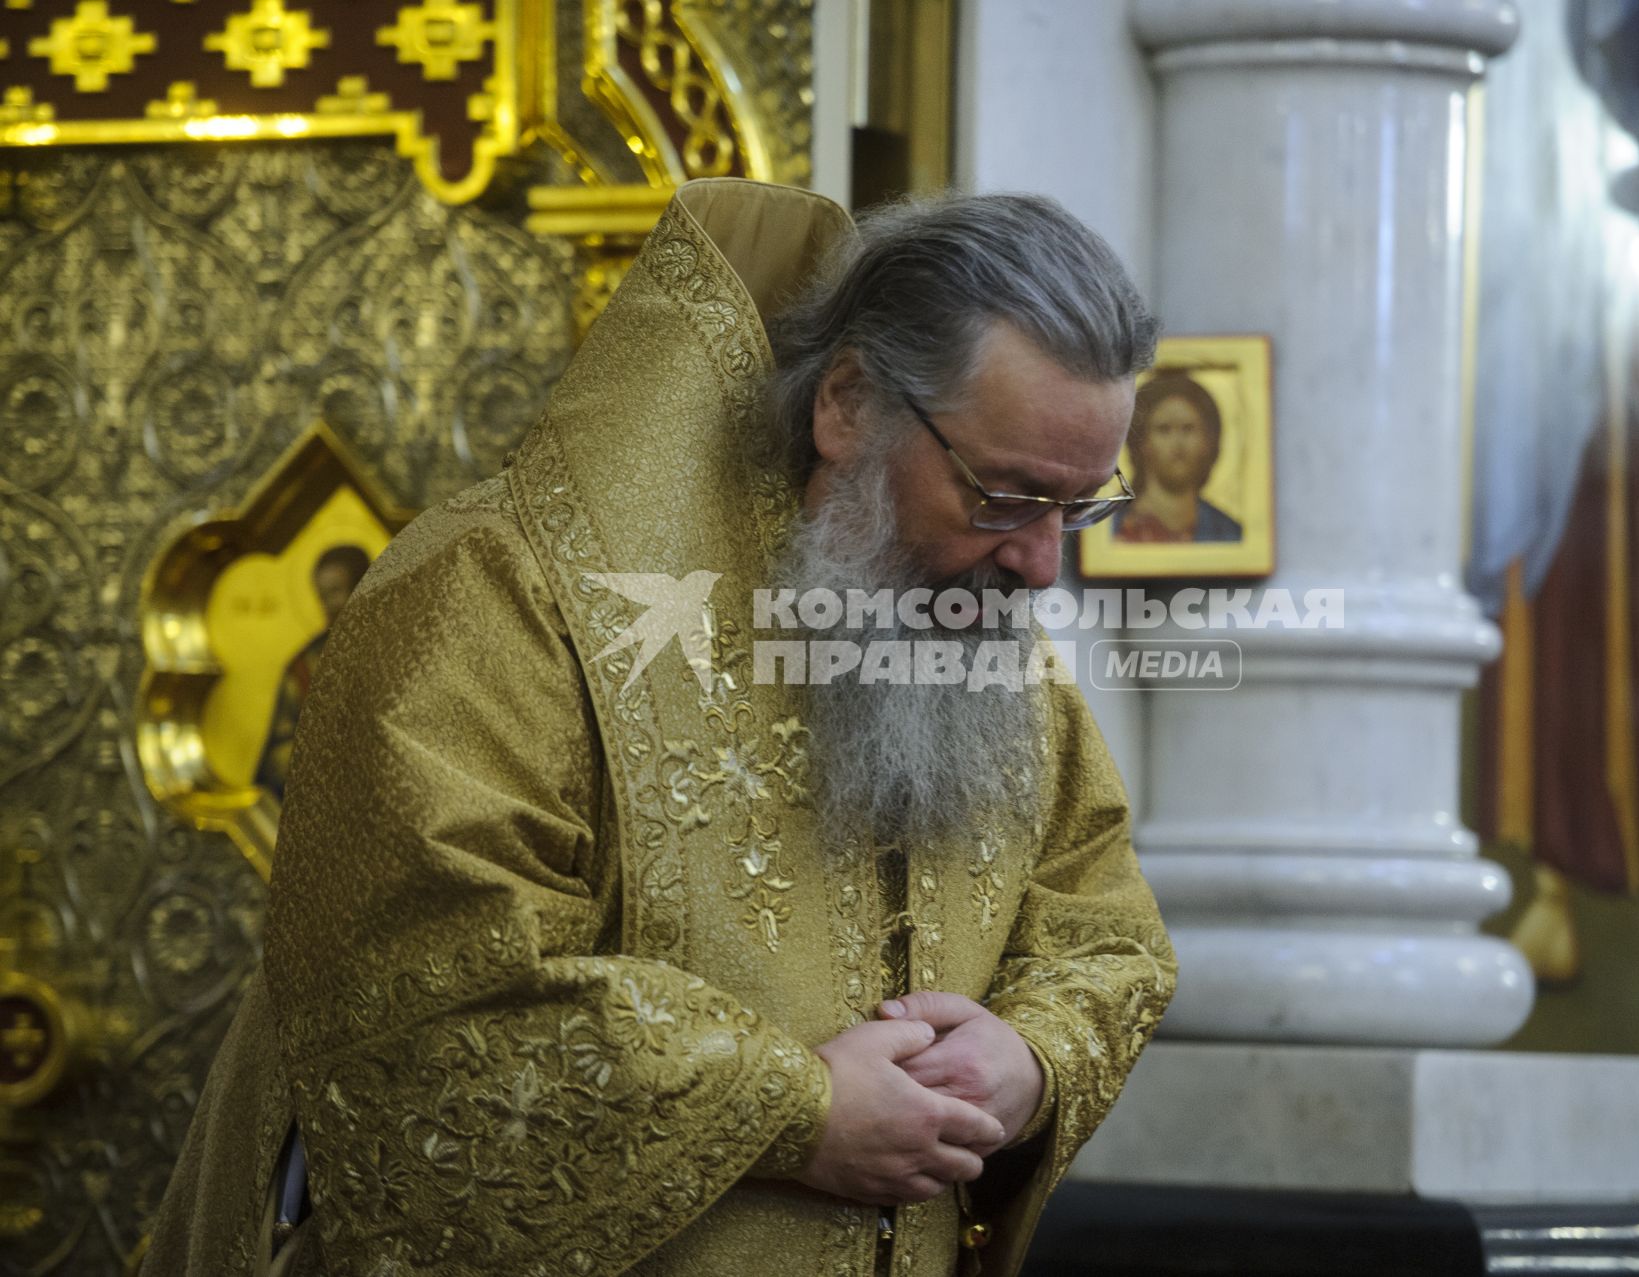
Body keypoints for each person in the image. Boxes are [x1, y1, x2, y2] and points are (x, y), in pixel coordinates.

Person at [145, 178, 1176, 1277]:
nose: (1039, 562)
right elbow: (424, 997)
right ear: (847, 403)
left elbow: (1101, 921)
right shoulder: (507, 591)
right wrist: (797, 1110)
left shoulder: (970, 623)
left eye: (1080, 508)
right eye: (1004, 494)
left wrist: (1032, 1057)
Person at [254, 544, 370, 801]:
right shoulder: (304, 667)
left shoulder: (401, 647)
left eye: (336, 592)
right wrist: (320, 766)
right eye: (323, 596)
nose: (330, 605)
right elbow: (279, 751)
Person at [1112, 372, 1243, 543]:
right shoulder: (1116, 527)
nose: (1177, 444)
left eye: (1188, 429)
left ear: (1207, 442)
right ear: (1143, 443)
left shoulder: (1228, 532)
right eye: (1164, 429)